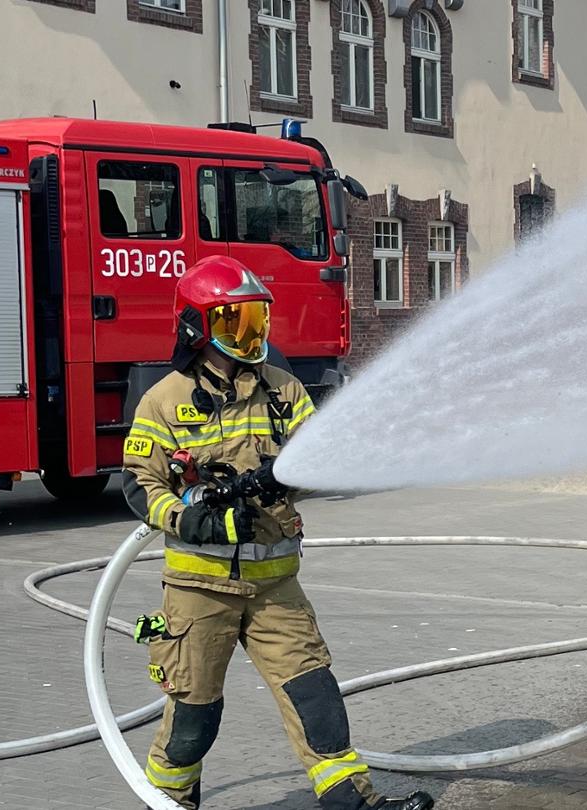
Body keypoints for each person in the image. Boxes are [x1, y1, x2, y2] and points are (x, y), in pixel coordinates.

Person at [121, 256, 434, 810]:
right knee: (193, 717)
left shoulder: (283, 389)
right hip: (199, 591)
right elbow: (140, 485)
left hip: (276, 586)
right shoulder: (163, 401)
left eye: (255, 320)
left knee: (315, 697)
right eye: (234, 322)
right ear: (197, 328)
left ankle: (351, 802)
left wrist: (282, 478)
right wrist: (196, 518)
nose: (250, 335)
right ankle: (169, 802)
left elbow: (321, 459)